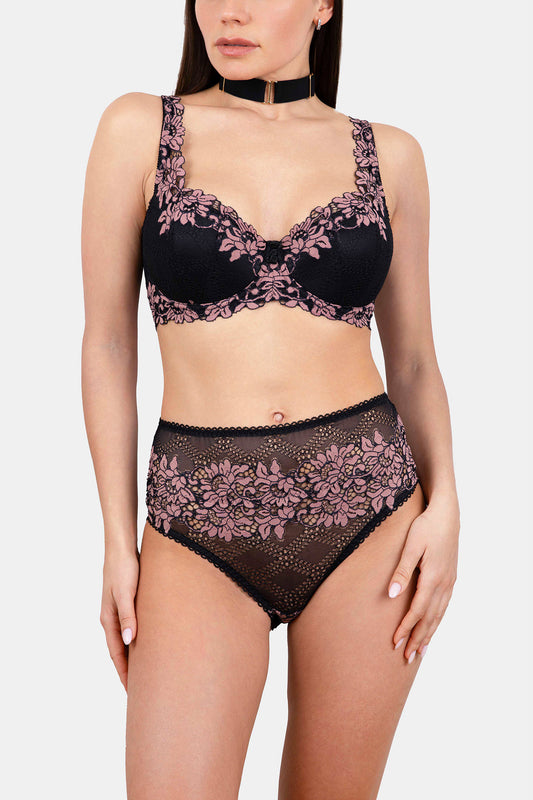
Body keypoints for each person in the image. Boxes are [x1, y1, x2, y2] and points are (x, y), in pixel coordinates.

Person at [81, 1, 460, 797]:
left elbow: (414, 360)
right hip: (196, 519)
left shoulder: (389, 154)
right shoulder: (140, 129)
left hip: (369, 514)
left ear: (323, 5)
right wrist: (117, 540)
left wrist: (447, 506)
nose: (230, 10)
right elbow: (108, 346)